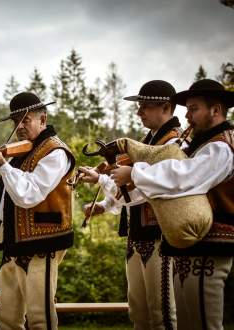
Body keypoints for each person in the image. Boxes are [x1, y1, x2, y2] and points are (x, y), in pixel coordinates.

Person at [111, 79, 234, 330]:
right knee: (189, 323)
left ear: (216, 109)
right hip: (194, 244)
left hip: (211, 246)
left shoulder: (222, 147)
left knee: (203, 323)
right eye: (187, 109)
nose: (187, 116)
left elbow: (185, 177)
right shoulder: (205, 144)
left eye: (193, 109)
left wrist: (135, 174)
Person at [0, 92, 75, 330]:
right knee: (7, 319)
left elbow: (29, 193)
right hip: (13, 243)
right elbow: (6, 192)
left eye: (25, 120)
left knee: (39, 318)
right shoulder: (22, 152)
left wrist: (3, 164)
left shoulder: (56, 152)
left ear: (42, 120)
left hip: (43, 243)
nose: (19, 126)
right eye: (16, 122)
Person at [79, 80, 180, 329]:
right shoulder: (149, 142)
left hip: (161, 238)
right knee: (139, 313)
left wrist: (102, 178)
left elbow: (144, 190)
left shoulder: (173, 145)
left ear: (166, 108)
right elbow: (129, 194)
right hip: (137, 236)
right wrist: (104, 205)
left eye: (145, 106)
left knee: (162, 314)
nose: (139, 112)